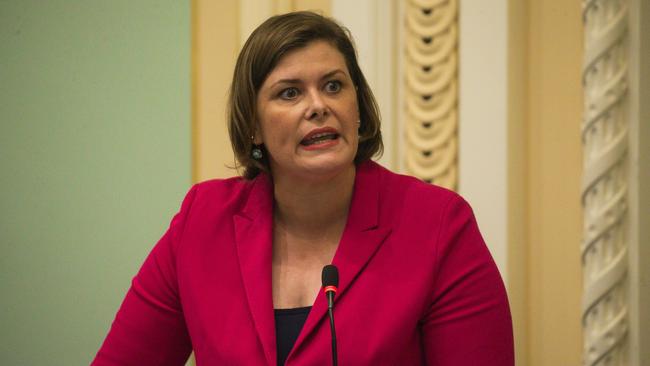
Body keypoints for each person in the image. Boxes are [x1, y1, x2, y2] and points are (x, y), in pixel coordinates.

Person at [93, 11, 514, 366]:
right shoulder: (204, 221)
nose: (318, 106)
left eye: (333, 85)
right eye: (290, 93)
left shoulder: (437, 224)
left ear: (358, 107)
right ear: (253, 126)